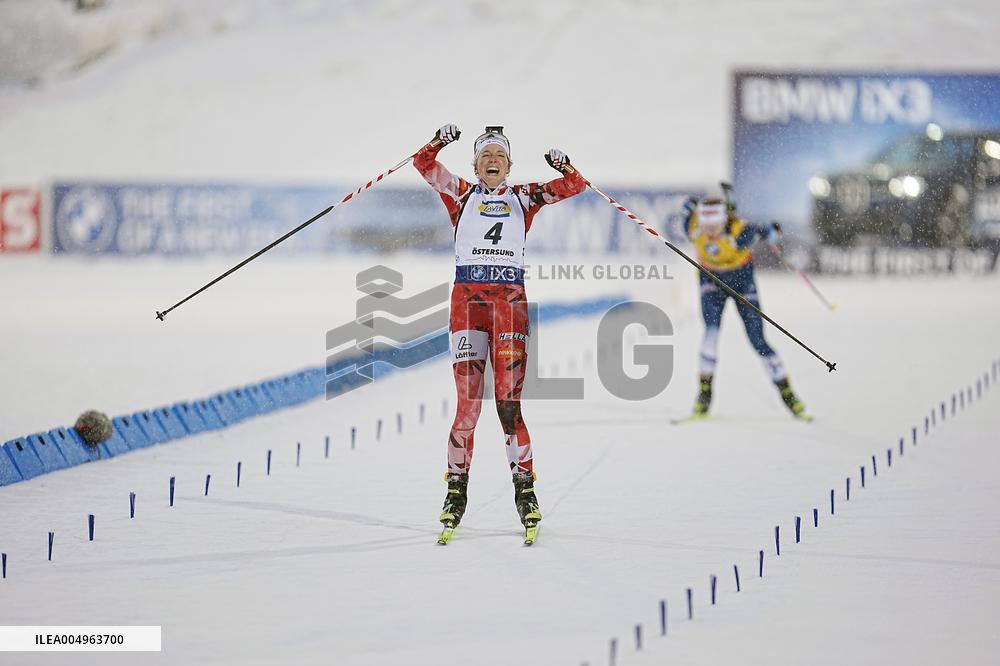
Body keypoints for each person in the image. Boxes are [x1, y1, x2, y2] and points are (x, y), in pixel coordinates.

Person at [412, 124, 586, 538]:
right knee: (468, 407)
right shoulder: (461, 194)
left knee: (508, 407)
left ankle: (525, 493)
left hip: (509, 308)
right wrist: (439, 140)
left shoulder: (524, 197)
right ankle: (456, 493)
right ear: (475, 165)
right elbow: (423, 164)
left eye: (500, 156)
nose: (493, 161)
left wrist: (564, 165)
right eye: (486, 156)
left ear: (509, 166)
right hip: (467, 307)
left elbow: (575, 186)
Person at [681, 195, 808, 420]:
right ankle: (704, 396)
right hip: (711, 281)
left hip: (741, 283)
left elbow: (759, 231)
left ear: (725, 220)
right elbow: (689, 209)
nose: (709, 231)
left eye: (715, 226)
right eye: (706, 225)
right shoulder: (693, 226)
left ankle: (787, 393)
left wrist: (769, 231)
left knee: (757, 340)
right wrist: (689, 205)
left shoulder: (739, 231)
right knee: (710, 333)